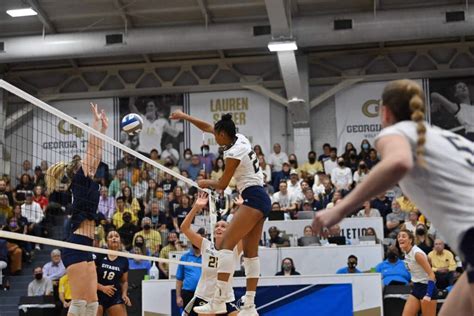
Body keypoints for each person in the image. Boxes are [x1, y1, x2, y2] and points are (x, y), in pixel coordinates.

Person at [312, 79, 473, 316]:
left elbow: (398, 161)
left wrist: (339, 209)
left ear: (384, 111)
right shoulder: (445, 138)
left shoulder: (396, 132)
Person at [170, 110, 271, 315]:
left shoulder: (233, 153)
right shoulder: (238, 138)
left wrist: (203, 182)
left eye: (216, 136)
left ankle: (219, 300)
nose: (214, 138)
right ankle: (250, 305)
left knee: (225, 245)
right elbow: (208, 127)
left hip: (254, 197)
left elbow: (222, 184)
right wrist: (185, 117)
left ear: (223, 135)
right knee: (251, 255)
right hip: (260, 197)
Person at [46, 103, 108, 316]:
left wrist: (104, 131)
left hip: (86, 245)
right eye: (85, 163)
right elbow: (91, 149)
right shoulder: (80, 181)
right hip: (76, 246)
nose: (90, 162)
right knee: (80, 302)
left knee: (92, 303)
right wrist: (96, 125)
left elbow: (96, 153)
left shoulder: (88, 182)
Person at [180, 192, 240, 316]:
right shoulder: (206, 244)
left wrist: (242, 209)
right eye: (217, 226)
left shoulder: (235, 249)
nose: (219, 228)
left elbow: (249, 231)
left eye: (223, 226)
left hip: (225, 298)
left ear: (229, 231)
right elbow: (184, 228)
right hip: (204, 297)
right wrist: (196, 208)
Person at [398, 229, 437, 316]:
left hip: (427, 288)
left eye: (403, 236)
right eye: (399, 237)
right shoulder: (406, 253)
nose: (400, 238)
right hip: (417, 287)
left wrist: (428, 294)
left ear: (410, 240)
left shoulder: (417, 254)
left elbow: (432, 274)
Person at [96, 230, 131, 316]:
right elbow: (89, 278)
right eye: (111, 237)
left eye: (116, 236)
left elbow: (124, 281)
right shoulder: (99, 255)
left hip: (114, 296)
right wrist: (102, 288)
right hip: (97, 294)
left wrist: (124, 294)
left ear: (120, 241)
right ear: (107, 241)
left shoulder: (124, 260)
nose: (114, 238)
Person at [176, 242, 202, 315]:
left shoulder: (207, 257)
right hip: (188, 293)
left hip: (203, 293)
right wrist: (178, 297)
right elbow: (179, 279)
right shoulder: (184, 257)